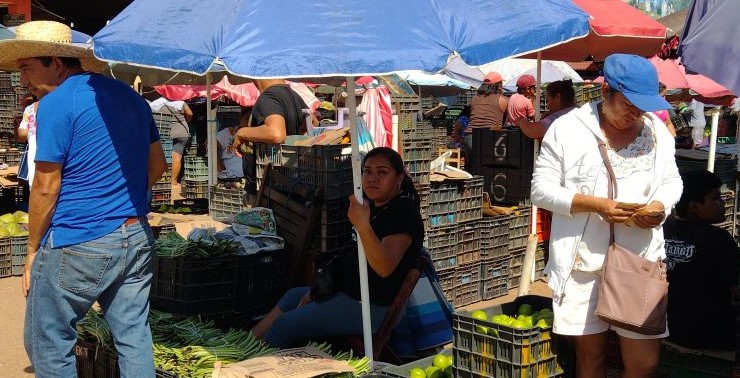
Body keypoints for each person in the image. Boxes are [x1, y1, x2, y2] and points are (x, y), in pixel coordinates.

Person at [0, 21, 168, 377]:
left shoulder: (56, 104)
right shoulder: (132, 98)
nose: (24, 79)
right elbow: (157, 164)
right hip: (136, 235)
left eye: (27, 67)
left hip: (79, 240)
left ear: (56, 63)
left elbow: (46, 186)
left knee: (47, 341)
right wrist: (125, 198)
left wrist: (30, 252)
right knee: (133, 334)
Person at [531, 53, 683, 378]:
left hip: (638, 262)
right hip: (581, 265)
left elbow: (672, 182)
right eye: (629, 103)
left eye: (642, 105)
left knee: (644, 365)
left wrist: (659, 208)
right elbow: (540, 190)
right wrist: (595, 204)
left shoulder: (657, 131)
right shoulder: (567, 129)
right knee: (591, 360)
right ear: (605, 93)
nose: (636, 112)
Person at [251, 147, 424, 347]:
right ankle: (245, 345)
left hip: (371, 306)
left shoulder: (403, 212)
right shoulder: (373, 206)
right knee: (292, 297)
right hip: (348, 293)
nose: (372, 178)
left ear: (399, 178)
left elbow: (384, 267)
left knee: (284, 325)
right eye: (367, 171)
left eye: (382, 172)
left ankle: (256, 366)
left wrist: (362, 226)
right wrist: (316, 291)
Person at [663, 170, 738, 352]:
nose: (723, 202)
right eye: (715, 198)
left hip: (663, 329)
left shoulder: (662, 232)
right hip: (709, 336)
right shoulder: (718, 239)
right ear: (694, 206)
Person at [233, 79, 311, 195]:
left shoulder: (268, 97)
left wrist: (241, 133)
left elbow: (276, 134)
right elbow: (312, 122)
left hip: (265, 190)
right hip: (283, 183)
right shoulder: (293, 95)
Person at [149, 96, 193, 187]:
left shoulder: (155, 103)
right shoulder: (180, 102)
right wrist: (186, 121)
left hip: (164, 132)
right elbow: (190, 113)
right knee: (177, 157)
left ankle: (159, 181)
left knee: (162, 156)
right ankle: (174, 182)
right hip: (181, 132)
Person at [15, 96, 38, 187]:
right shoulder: (30, 109)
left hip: (36, 159)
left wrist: (33, 131)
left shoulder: (31, 109)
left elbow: (22, 135)